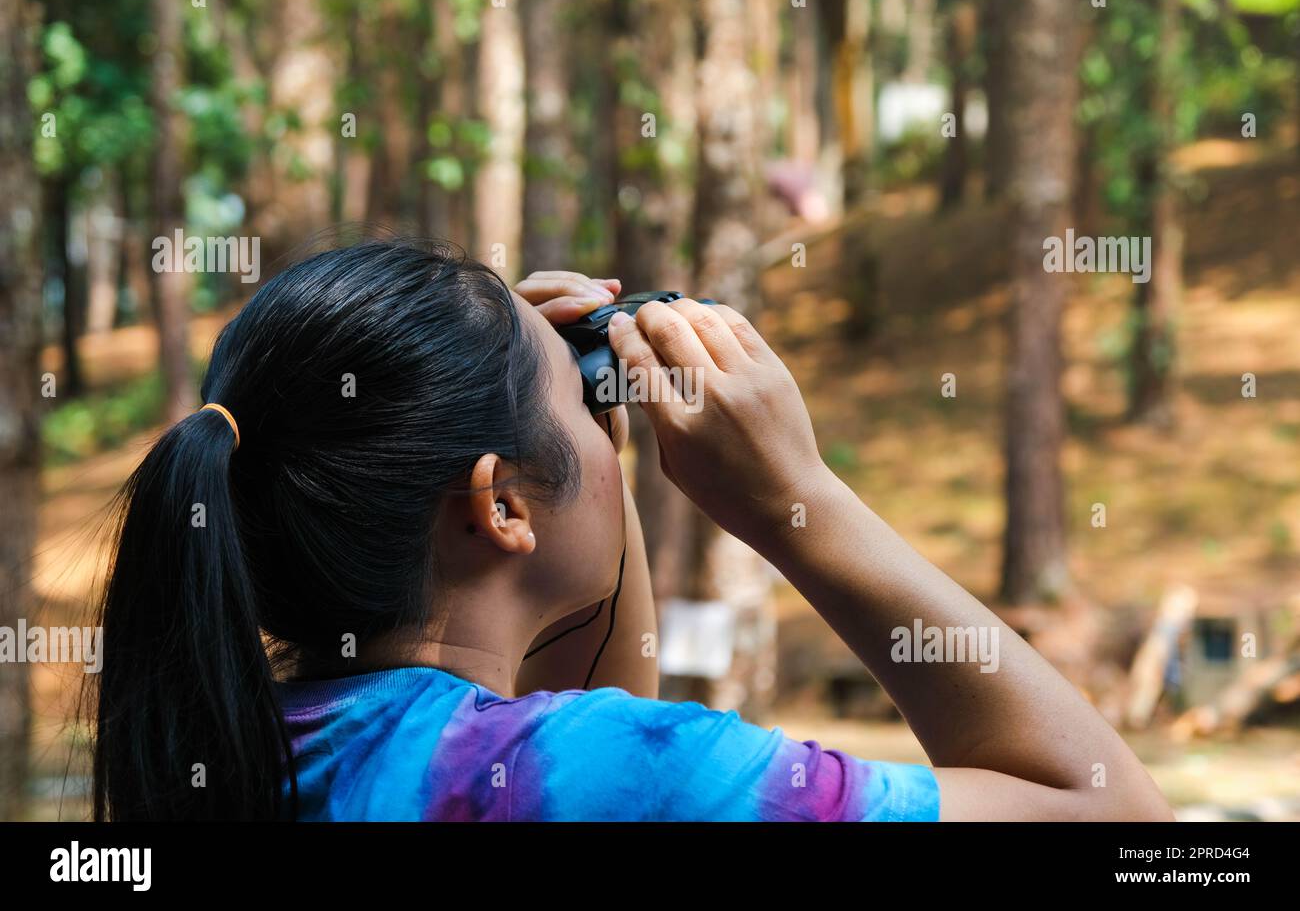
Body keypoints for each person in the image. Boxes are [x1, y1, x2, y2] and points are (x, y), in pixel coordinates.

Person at [88, 239, 1173, 821]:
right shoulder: (625, 773)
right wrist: (797, 500)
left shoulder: (225, 750)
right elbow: (1116, 819)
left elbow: (569, 731)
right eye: (583, 408)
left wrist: (566, 421)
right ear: (501, 505)